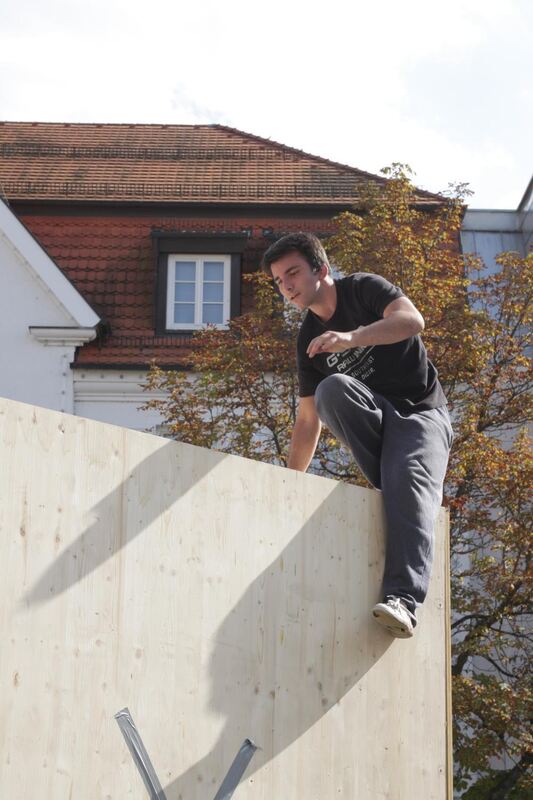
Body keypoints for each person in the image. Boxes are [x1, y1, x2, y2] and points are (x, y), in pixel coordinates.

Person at [262, 232, 453, 639]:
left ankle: (403, 599)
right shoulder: (307, 341)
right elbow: (308, 419)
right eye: (279, 281)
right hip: (378, 425)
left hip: (421, 415)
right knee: (331, 389)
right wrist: (287, 484)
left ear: (322, 270)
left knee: (408, 475)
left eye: (293, 273)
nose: (287, 286)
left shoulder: (364, 288)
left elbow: (411, 321)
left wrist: (352, 337)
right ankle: (397, 473)